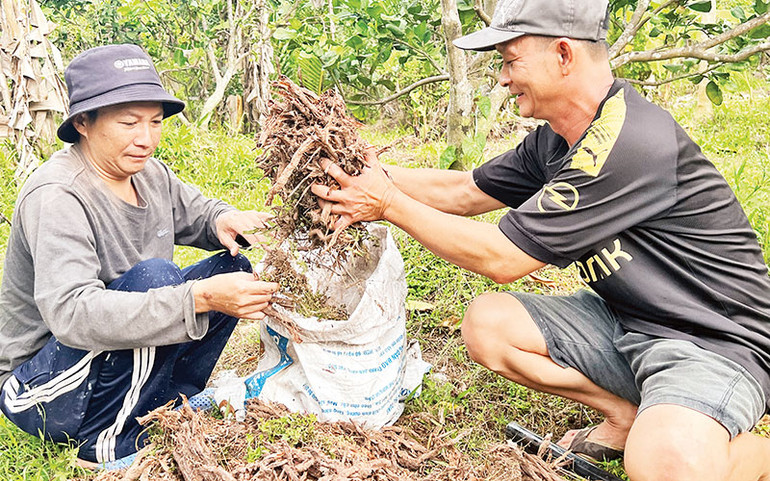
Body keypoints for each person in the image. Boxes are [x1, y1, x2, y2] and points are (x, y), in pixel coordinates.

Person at [311, 1, 770, 479]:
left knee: (664, 465)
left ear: (564, 54)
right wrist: (360, 172)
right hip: (627, 322)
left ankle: (755, 455)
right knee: (489, 324)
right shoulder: (556, 138)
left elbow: (502, 258)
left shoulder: (629, 142)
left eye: (511, 61)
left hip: (713, 343)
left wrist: (386, 203)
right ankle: (625, 412)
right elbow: (466, 192)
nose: (504, 78)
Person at [0, 44, 279, 466]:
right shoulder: (57, 196)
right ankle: (107, 443)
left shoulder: (148, 173)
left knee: (233, 266)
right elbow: (73, 314)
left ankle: (169, 404)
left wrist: (224, 219)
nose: (146, 139)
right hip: (42, 386)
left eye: (154, 122)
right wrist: (198, 298)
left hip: (104, 363)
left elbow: (198, 213)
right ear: (84, 123)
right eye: (129, 123)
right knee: (158, 279)